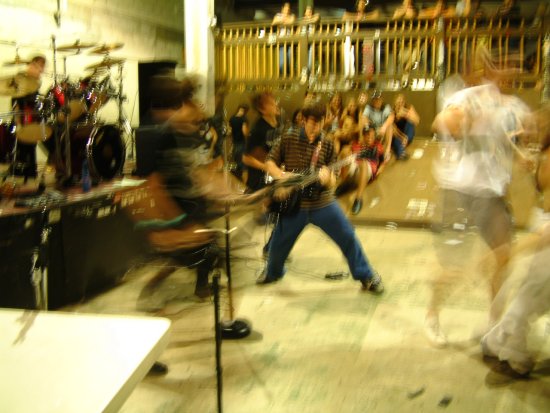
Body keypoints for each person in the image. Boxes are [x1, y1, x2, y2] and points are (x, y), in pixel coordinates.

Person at [425, 67, 531, 347]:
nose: (509, 71)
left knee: (504, 256)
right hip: (460, 191)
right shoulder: (470, 98)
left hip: (492, 193)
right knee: (454, 267)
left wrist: (519, 154)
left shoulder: (511, 104)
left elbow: (507, 136)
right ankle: (432, 314)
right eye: (503, 66)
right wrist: (464, 122)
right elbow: (440, 122)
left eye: (515, 65)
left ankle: (493, 326)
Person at [257, 101, 384, 294]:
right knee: (278, 243)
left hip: (321, 203)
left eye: (320, 123)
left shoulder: (327, 143)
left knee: (347, 235)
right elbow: (270, 163)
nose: (315, 128)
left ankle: (366, 275)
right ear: (304, 120)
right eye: (312, 122)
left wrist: (328, 179)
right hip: (295, 204)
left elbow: (333, 181)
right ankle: (272, 272)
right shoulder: (288, 138)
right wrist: (283, 177)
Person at [480, 105, 549, 377]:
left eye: (537, 127)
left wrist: (516, 249)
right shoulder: (543, 156)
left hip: (544, 233)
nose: (529, 132)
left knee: (530, 296)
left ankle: (503, 344)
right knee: (530, 295)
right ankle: (503, 344)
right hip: (541, 226)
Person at [10, 55, 47, 179]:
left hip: (31, 116)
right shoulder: (22, 78)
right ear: (32, 65)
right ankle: (22, 170)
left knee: (31, 144)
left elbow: (35, 100)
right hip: (22, 116)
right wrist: (18, 121)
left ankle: (30, 171)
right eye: (40, 66)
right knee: (23, 145)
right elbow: (15, 100)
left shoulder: (35, 81)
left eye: (42, 67)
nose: (41, 70)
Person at [340, 124, 386, 215]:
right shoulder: (356, 144)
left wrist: (380, 169)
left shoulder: (378, 146)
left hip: (368, 170)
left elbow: (383, 161)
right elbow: (347, 156)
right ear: (364, 136)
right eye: (367, 135)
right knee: (345, 151)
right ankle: (345, 184)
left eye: (372, 135)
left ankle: (358, 199)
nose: (370, 137)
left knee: (363, 163)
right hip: (355, 169)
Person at [242, 91, 281, 193]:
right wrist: (267, 167)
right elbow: (246, 158)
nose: (275, 105)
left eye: (274, 101)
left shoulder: (278, 125)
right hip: (259, 183)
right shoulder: (258, 129)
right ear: (262, 109)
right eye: (271, 103)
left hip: (272, 180)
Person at [361, 90, 400, 161]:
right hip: (373, 131)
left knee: (390, 126)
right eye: (374, 99)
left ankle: (387, 149)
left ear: (381, 99)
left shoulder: (386, 107)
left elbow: (391, 116)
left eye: (378, 99)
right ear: (372, 100)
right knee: (365, 126)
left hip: (383, 132)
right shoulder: (368, 107)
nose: (376, 101)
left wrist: (384, 126)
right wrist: (368, 125)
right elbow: (364, 118)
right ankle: (366, 148)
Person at [272, 2, 296, 76]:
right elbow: (273, 22)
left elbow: (291, 22)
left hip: (290, 41)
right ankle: (282, 77)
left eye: (288, 9)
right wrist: (282, 20)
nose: (287, 10)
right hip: (281, 41)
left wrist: (281, 21)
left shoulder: (292, 15)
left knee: (289, 61)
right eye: (286, 8)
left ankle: (289, 77)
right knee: (281, 63)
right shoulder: (278, 15)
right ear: (282, 9)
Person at [229, 103, 249, 180]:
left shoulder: (232, 118)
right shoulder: (243, 119)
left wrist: (231, 145)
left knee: (237, 165)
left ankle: (237, 183)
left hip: (235, 144)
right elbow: (244, 132)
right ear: (245, 111)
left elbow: (230, 131)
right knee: (244, 167)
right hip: (242, 144)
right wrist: (248, 134)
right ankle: (244, 184)